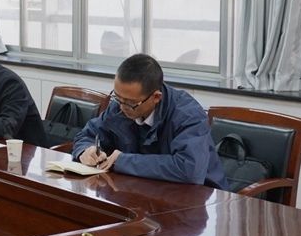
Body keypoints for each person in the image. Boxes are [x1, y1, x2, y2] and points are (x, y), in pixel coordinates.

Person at [72, 53, 227, 188]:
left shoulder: (187, 114)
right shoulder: (120, 105)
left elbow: (189, 170)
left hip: (199, 196)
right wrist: (85, 150)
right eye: (117, 97)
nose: (122, 107)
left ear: (156, 97)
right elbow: (87, 135)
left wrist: (123, 161)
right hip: (143, 190)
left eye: (131, 103)